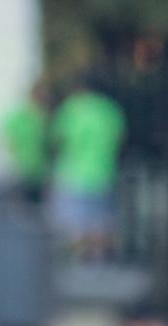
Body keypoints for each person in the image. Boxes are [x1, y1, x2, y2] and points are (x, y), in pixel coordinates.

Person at [50, 84, 127, 259]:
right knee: (100, 222)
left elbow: (57, 139)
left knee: (74, 224)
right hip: (104, 172)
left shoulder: (71, 109)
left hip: (72, 173)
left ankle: (78, 260)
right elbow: (120, 139)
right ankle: (97, 260)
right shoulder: (109, 109)